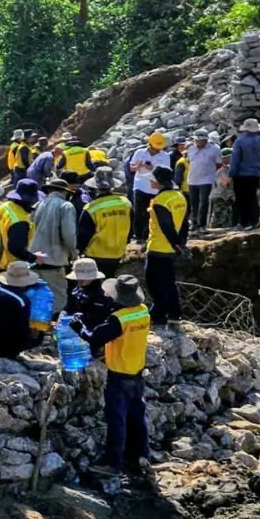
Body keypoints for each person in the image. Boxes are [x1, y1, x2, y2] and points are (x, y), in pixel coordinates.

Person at [85, 275, 152, 495]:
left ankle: (113, 462)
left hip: (119, 374)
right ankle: (140, 455)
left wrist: (79, 328)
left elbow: (95, 337)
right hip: (137, 372)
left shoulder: (119, 319)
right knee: (137, 416)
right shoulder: (143, 311)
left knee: (117, 419)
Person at [145, 166, 188, 326]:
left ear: (158, 182)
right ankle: (175, 314)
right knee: (169, 282)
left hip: (158, 247)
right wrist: (181, 243)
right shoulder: (180, 197)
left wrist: (175, 243)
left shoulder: (160, 201)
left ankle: (159, 315)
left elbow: (166, 225)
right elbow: (184, 223)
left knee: (155, 283)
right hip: (171, 249)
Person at [30, 178, 78, 299]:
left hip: (34, 258)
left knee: (37, 298)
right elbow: (68, 234)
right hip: (54, 260)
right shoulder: (66, 206)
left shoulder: (38, 205)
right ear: (65, 192)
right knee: (57, 298)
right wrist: (73, 253)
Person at [79, 174, 132, 278]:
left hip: (96, 254)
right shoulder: (126, 203)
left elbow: (83, 234)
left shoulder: (91, 208)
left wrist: (79, 251)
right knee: (110, 284)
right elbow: (131, 227)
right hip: (118, 253)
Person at [127, 132, 173, 242]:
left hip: (155, 188)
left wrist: (153, 168)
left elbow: (166, 172)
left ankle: (148, 235)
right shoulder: (139, 152)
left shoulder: (165, 156)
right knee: (139, 212)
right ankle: (138, 236)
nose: (157, 150)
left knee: (152, 213)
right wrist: (138, 166)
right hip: (140, 185)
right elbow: (131, 168)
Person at [224, 118, 260, 229]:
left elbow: (235, 160)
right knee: (253, 197)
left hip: (241, 174)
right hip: (255, 174)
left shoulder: (239, 142)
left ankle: (243, 222)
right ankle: (253, 222)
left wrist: (230, 175)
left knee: (241, 199)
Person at [0, 178, 39, 271]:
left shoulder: (4, 207)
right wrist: (34, 258)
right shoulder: (20, 221)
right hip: (9, 267)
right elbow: (16, 249)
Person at [182, 131, 224, 231]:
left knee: (204, 202)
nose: (196, 142)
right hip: (192, 179)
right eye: (195, 140)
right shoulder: (191, 148)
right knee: (194, 202)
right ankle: (194, 223)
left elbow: (219, 164)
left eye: (198, 140)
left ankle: (202, 225)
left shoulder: (214, 149)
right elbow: (188, 160)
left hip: (207, 179)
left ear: (204, 140)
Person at [63, 257, 112, 330]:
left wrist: (82, 317)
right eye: (79, 278)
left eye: (84, 278)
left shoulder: (104, 294)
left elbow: (100, 319)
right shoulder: (77, 289)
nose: (81, 280)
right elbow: (69, 308)